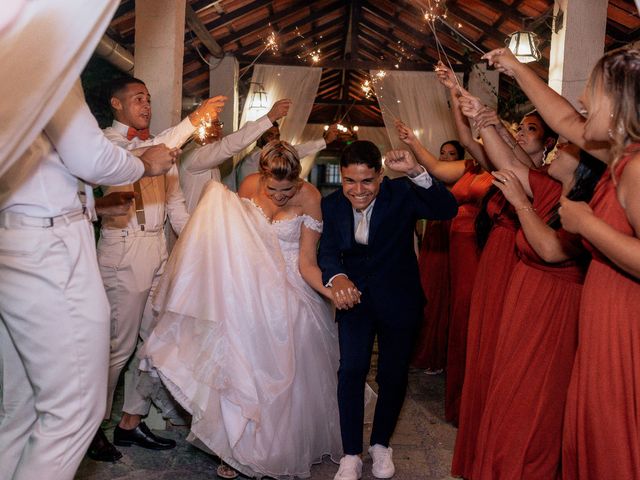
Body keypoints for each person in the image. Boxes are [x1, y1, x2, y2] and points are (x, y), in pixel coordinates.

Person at [0, 78, 178, 479]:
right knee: (77, 409)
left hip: (15, 236)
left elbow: (36, 181)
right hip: (51, 251)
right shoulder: (46, 53)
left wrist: (93, 206)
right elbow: (90, 157)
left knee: (22, 405)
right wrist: (146, 164)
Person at [142, 140, 342, 479]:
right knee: (235, 358)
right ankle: (232, 448)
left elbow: (307, 262)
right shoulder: (249, 187)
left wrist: (330, 290)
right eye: (274, 188)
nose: (279, 196)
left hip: (290, 286)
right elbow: (230, 239)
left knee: (285, 349)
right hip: (246, 285)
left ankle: (271, 448)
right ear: (262, 176)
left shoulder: (310, 197)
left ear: (299, 179)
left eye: (287, 189)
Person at [484, 45, 640, 479]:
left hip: (626, 320)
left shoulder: (638, 167)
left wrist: (587, 224)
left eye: (592, 90)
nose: (585, 101)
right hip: (602, 314)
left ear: (621, 100)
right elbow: (563, 119)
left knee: (614, 440)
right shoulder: (620, 155)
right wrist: (516, 68)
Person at [88, 75, 226, 461]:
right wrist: (190, 121)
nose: (145, 105)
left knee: (158, 341)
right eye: (137, 98)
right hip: (123, 252)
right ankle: (91, 429)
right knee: (117, 348)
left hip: (158, 251)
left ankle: (130, 422)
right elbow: (139, 158)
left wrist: (200, 246)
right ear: (117, 104)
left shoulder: (160, 150)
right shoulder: (106, 142)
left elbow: (176, 207)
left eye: (148, 98)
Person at [318, 141, 458, 480]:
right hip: (355, 302)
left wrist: (415, 171)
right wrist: (336, 278)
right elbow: (327, 252)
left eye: (366, 181)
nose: (358, 190)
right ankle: (351, 453)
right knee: (351, 370)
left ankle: (381, 444)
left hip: (400, 300)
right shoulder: (332, 204)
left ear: (380, 176)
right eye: (350, 181)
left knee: (392, 376)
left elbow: (446, 208)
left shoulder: (401, 193)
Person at [396, 119, 493, 425]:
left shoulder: (498, 167)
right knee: (449, 305)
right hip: (455, 244)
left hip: (477, 247)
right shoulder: (470, 166)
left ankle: (471, 392)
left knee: (467, 312)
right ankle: (456, 386)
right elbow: (436, 167)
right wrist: (412, 140)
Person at [179, 99, 292, 213]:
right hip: (191, 226)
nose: (219, 129)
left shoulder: (208, 156)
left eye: (219, 124)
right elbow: (227, 145)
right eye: (214, 124)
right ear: (200, 128)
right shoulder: (193, 155)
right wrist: (269, 117)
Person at [410, 140, 464, 375]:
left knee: (442, 297)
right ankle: (423, 350)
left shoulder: (462, 185)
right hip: (433, 239)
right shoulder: (435, 184)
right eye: (442, 153)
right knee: (426, 295)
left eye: (451, 154)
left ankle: (438, 355)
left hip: (453, 242)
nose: (445, 157)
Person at [231, 120, 338, 189]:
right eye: (270, 135)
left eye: (277, 136)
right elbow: (294, 151)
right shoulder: (256, 156)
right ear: (259, 137)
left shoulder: (262, 156)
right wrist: (325, 141)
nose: (275, 139)